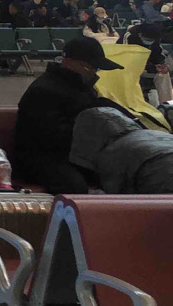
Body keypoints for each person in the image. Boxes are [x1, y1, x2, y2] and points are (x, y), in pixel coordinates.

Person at [13, 35, 122, 194]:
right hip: (39, 158)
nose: (94, 74)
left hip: (75, 155)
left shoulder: (81, 88)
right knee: (74, 186)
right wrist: (93, 136)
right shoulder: (44, 90)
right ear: (69, 62)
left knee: (121, 172)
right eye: (91, 68)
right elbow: (47, 136)